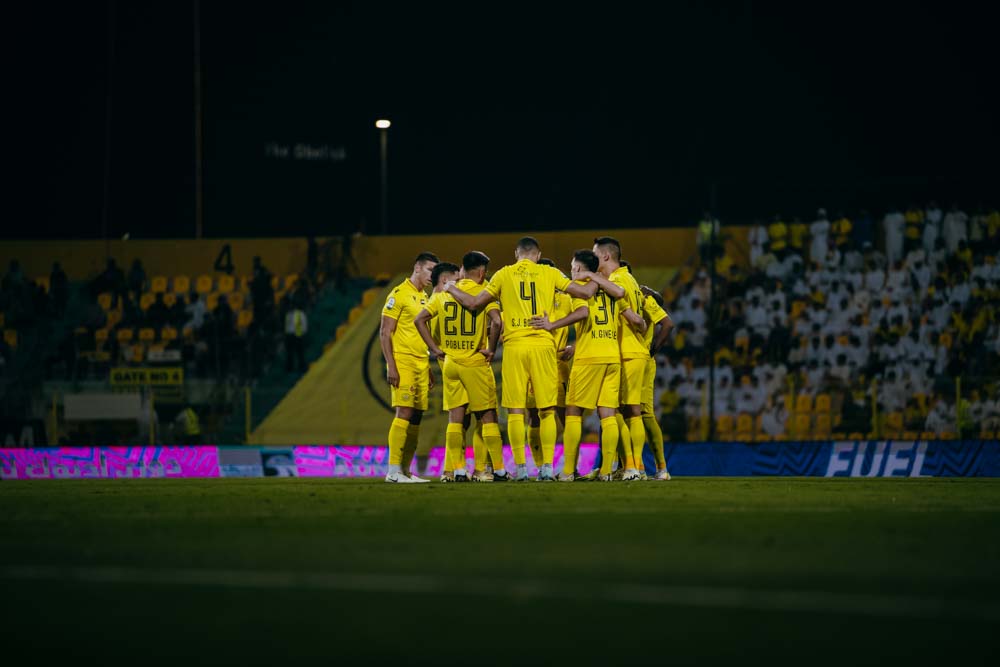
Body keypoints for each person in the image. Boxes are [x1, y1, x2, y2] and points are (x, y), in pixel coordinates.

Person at [445, 236, 620, 481]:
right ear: (538, 255)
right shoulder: (550, 273)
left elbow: (474, 304)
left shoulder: (504, 274)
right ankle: (547, 468)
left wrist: (450, 287)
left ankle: (521, 469)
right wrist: (592, 277)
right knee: (547, 410)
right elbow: (585, 294)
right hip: (543, 347)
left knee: (516, 411)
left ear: (517, 254)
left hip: (515, 347)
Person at [530, 249, 627, 481]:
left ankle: (567, 472)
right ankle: (606, 472)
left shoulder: (579, 288)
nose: (571, 271)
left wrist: (552, 325)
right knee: (608, 414)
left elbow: (583, 312)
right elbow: (621, 293)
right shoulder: (607, 285)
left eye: (573, 267)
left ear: (578, 268)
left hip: (589, 356)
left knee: (572, 412)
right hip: (612, 355)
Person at [415, 251, 505, 483]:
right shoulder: (485, 293)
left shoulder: (441, 295)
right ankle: (499, 470)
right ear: (482, 271)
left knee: (456, 420)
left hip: (450, 363)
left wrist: (434, 349)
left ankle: (456, 470)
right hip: (473, 361)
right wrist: (492, 348)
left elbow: (419, 320)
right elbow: (497, 322)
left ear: (463, 269)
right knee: (487, 418)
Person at [592, 237, 648, 480]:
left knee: (620, 412)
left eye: (595, 255)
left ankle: (632, 468)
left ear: (605, 256)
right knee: (630, 412)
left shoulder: (616, 281)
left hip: (626, 353)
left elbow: (635, 319)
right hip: (634, 352)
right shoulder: (630, 279)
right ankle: (634, 468)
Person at [381, 252, 439, 483]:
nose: (431, 276)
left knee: (416, 417)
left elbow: (421, 336)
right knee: (404, 411)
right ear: (417, 267)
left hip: (421, 363)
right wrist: (391, 366)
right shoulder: (398, 293)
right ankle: (393, 471)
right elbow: (385, 333)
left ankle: (405, 471)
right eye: (429, 270)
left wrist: (428, 368)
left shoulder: (424, 297)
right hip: (403, 361)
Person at [639, 286, 674, 480]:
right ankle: (634, 467)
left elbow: (668, 324)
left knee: (643, 414)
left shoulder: (642, 298)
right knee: (624, 413)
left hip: (640, 361)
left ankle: (659, 468)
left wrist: (652, 350)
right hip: (626, 360)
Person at [284, 297, 308, 373]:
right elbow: (287, 326)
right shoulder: (288, 315)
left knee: (300, 353)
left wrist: (303, 333)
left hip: (298, 335)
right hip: (290, 336)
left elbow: (304, 324)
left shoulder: (299, 314)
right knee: (290, 354)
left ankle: (302, 367)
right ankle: (290, 368)